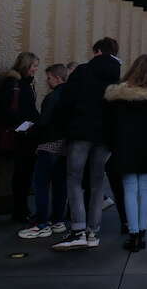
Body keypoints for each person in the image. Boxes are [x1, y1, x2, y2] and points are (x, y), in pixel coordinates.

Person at [52, 38, 121, 251]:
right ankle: (93, 232)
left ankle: (78, 230)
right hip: (105, 136)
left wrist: (64, 127)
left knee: (74, 179)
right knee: (97, 182)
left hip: (81, 132)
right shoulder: (116, 77)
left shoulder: (82, 71)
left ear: (97, 51)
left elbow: (66, 101)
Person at [104, 54, 147, 252]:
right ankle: (142, 232)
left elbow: (110, 125)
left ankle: (133, 234)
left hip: (124, 146)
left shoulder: (118, 95)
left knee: (129, 188)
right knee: (144, 188)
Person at [18, 63, 69, 238]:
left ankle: (41, 223)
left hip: (48, 146)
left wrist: (30, 129)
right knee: (60, 186)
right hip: (65, 147)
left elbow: (44, 122)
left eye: (49, 78)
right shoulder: (72, 95)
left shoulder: (52, 97)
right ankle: (57, 221)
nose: (47, 81)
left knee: (41, 185)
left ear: (57, 78)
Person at [0, 52, 41, 223]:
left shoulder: (26, 83)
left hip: (27, 134)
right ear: (25, 65)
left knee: (25, 174)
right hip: (21, 135)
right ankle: (20, 210)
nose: (36, 70)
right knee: (22, 174)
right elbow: (10, 111)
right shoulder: (14, 84)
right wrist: (28, 124)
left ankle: (22, 209)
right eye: (34, 66)